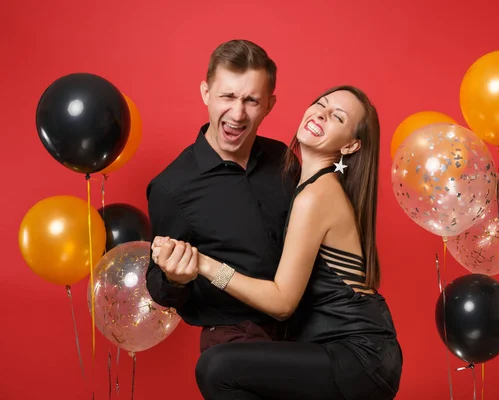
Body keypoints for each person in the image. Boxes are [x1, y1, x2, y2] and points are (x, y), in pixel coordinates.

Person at [153, 85, 403, 400]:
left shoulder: (317, 195)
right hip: (339, 352)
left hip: (359, 355)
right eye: (320, 104)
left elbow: (283, 303)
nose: (321, 115)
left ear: (351, 146)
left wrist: (202, 263)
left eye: (336, 117)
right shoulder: (299, 182)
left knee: (217, 368)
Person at [145, 39, 299, 352]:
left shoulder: (283, 159)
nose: (238, 113)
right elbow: (161, 287)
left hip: (305, 330)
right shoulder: (171, 187)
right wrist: (175, 278)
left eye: (251, 100)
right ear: (206, 94)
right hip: (234, 341)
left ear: (269, 104)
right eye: (227, 96)